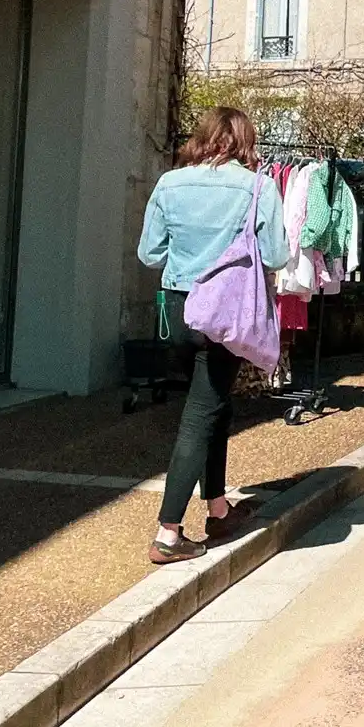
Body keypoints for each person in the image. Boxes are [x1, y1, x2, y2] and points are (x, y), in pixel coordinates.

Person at [137, 107, 289, 565]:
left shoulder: (170, 183)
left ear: (204, 138)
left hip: (180, 308)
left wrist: (188, 253)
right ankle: (168, 533)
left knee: (215, 404)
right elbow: (278, 255)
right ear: (244, 141)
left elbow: (149, 253)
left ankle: (219, 508)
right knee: (201, 413)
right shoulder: (258, 186)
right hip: (227, 310)